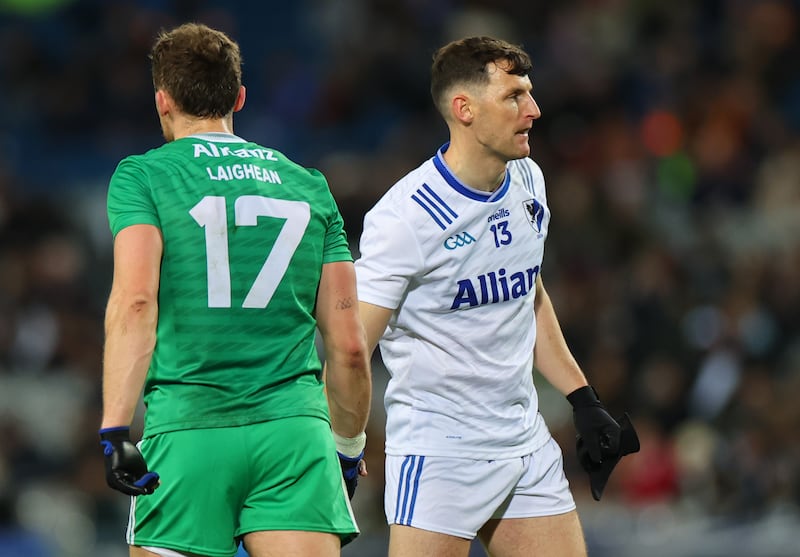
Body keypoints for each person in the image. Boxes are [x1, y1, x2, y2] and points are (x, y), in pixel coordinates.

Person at [354, 36, 638, 557]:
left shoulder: (530, 179)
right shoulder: (405, 218)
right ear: (464, 109)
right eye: (514, 96)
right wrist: (341, 443)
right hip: (440, 455)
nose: (534, 109)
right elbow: (352, 346)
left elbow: (527, 291)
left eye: (529, 93)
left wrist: (583, 399)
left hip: (524, 445)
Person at [98, 23, 371, 557]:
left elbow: (135, 302)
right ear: (239, 97)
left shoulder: (143, 177)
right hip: (296, 435)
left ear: (162, 100)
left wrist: (115, 429)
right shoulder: (309, 184)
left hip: (188, 429)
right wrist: (345, 446)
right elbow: (350, 346)